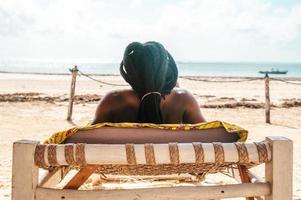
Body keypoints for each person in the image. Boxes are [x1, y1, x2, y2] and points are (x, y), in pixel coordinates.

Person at [92, 41, 205, 125]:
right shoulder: (183, 99)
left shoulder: (113, 99)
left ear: (131, 72)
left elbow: (87, 140)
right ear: (165, 69)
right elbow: (208, 137)